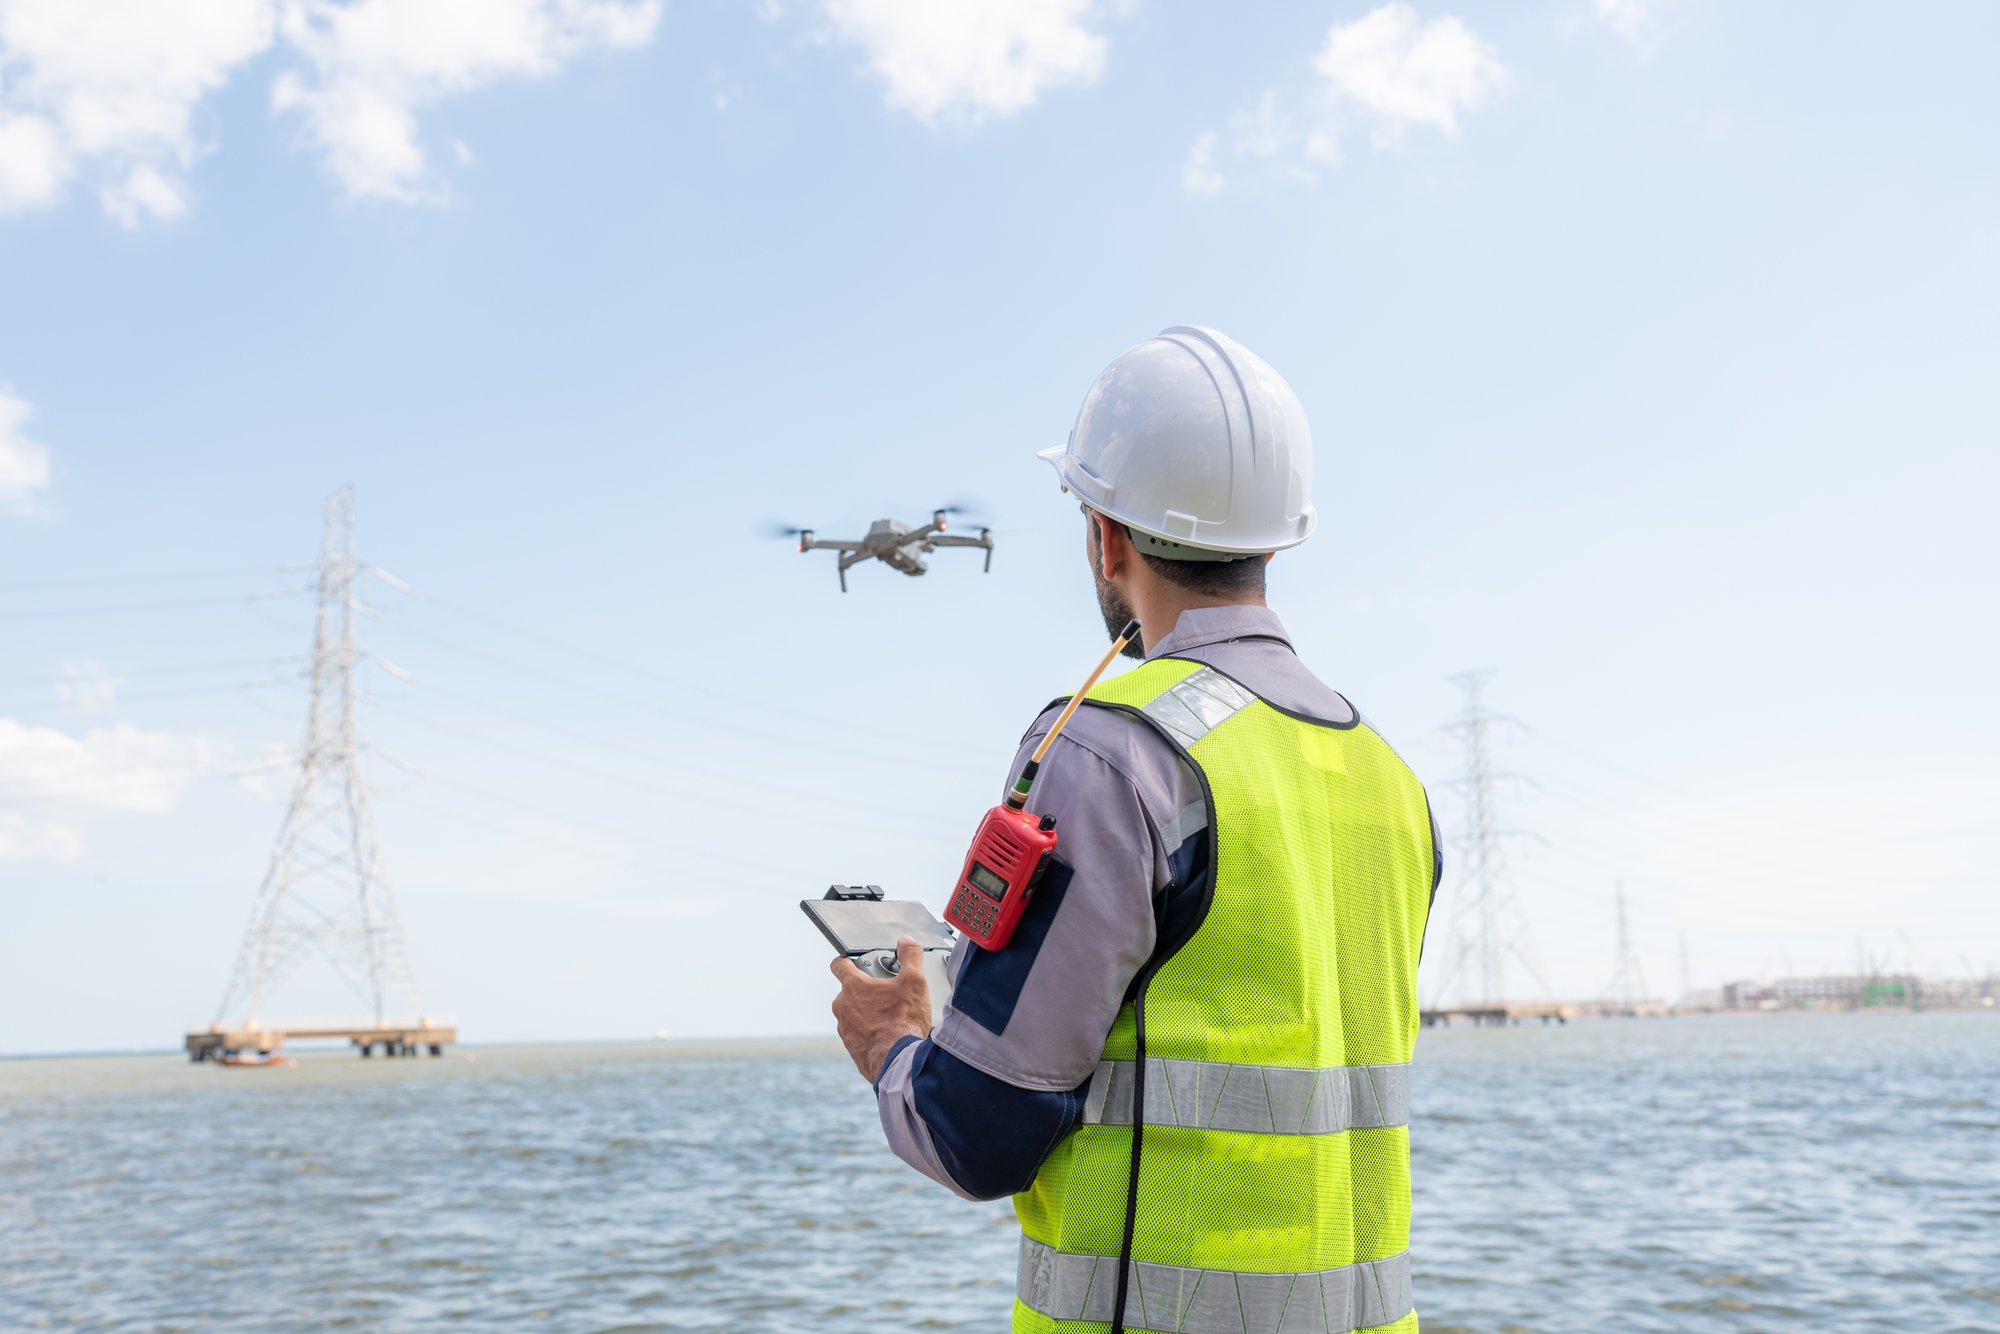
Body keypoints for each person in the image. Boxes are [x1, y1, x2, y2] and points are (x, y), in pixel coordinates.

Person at [830, 326, 1442, 1334]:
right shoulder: (1389, 778)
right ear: (1274, 539)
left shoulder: (1110, 750)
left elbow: (974, 1130)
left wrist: (893, 1044)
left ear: (1106, 537)